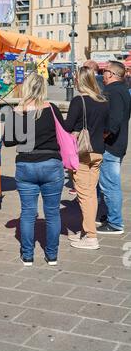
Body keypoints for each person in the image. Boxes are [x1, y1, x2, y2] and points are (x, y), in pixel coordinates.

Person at [3, 73, 65, 266]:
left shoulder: (18, 111)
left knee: (28, 212)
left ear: (26, 88)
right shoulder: (52, 109)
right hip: (51, 164)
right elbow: (63, 132)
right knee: (53, 212)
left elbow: (8, 141)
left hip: (26, 165)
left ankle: (28, 255)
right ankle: (52, 255)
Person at [63, 67, 109, 249]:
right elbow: (108, 128)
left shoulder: (78, 101)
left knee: (85, 195)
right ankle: (85, 233)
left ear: (79, 81)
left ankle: (91, 237)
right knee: (90, 193)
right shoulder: (103, 101)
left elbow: (67, 127)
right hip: (98, 152)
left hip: (82, 153)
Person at [97, 61, 131, 235]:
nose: (102, 74)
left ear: (111, 74)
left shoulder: (113, 91)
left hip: (111, 145)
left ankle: (115, 223)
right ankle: (110, 214)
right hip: (118, 143)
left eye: (104, 71)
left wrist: (103, 135)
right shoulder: (123, 90)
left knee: (110, 185)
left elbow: (115, 121)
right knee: (109, 184)